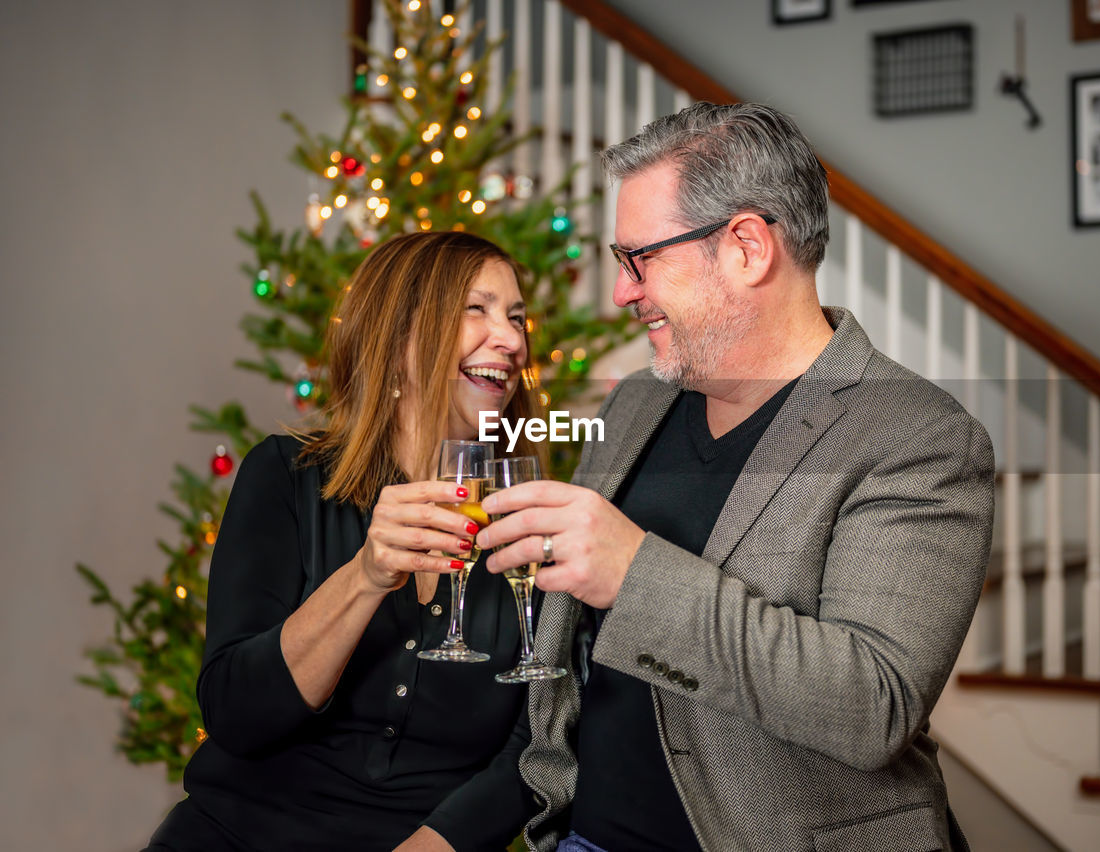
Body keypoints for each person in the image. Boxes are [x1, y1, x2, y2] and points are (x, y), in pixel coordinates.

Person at [478, 102, 995, 851]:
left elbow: (873, 705)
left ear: (748, 248)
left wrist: (636, 575)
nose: (622, 292)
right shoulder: (634, 404)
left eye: (640, 259)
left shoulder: (920, 437)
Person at [146, 232, 545, 852]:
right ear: (401, 335)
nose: (513, 339)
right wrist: (365, 576)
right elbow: (235, 716)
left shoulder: (528, 519)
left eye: (517, 318)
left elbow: (537, 742)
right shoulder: (286, 476)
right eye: (478, 309)